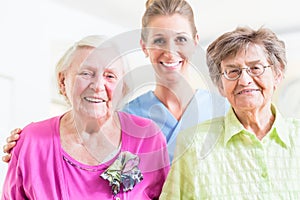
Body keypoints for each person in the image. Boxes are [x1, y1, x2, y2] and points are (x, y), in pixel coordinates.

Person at [2, 0, 228, 162]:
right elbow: (79, 150)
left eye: (181, 39)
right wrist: (27, 143)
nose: (170, 52)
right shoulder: (125, 116)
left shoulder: (224, 110)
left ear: (195, 42)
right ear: (143, 46)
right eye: (159, 40)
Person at [1, 35, 170, 199]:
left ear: (123, 88)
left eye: (110, 76)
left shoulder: (148, 138)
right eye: (86, 73)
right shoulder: (32, 140)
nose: (97, 86)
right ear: (62, 81)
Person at [159, 26, 300, 199]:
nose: (245, 80)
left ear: (277, 74)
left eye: (255, 68)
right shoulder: (194, 143)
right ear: (220, 85)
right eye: (233, 71)